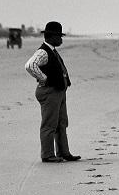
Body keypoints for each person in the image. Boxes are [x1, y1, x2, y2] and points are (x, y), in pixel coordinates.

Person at [24, 21, 80, 163]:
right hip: (50, 92)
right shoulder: (43, 51)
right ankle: (47, 155)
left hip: (57, 91)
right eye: (59, 36)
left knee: (61, 122)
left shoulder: (51, 50)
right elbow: (30, 65)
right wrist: (43, 78)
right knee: (50, 124)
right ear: (51, 36)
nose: (61, 39)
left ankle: (63, 152)